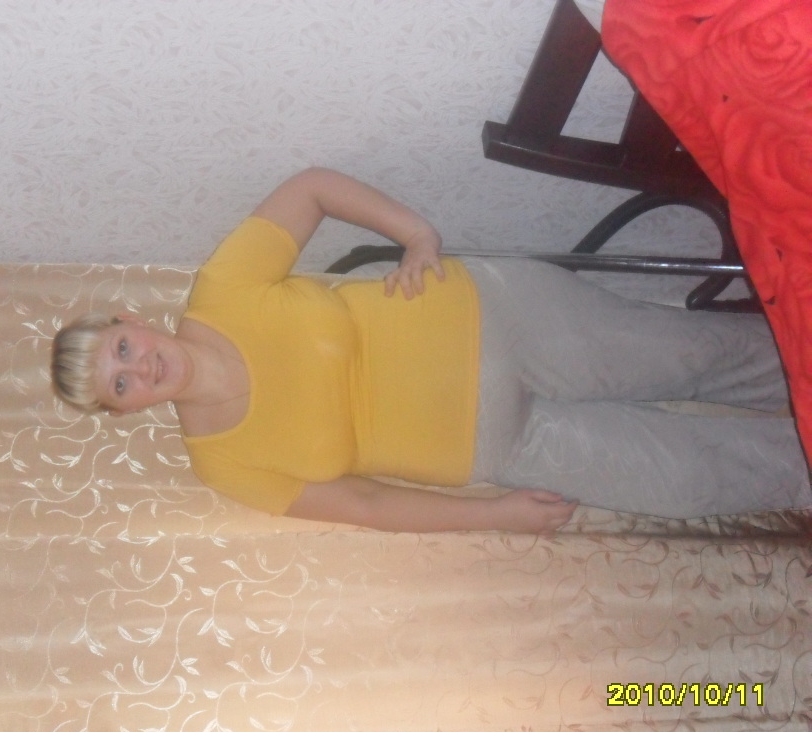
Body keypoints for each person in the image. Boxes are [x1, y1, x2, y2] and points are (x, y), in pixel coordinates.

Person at [52, 168, 811, 533]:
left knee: (694, 356)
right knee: (692, 483)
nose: (140, 368)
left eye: (122, 348)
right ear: (128, 410)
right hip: (504, 444)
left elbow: (311, 188)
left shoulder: (223, 289)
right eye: (120, 385)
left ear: (132, 320)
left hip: (504, 320)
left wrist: (416, 234)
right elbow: (365, 503)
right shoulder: (223, 463)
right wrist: (493, 515)